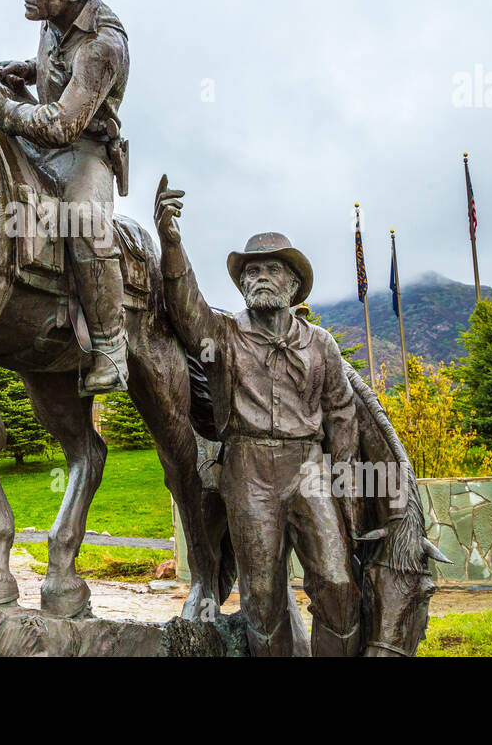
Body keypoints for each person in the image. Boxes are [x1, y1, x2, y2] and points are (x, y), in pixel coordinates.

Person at [153, 175, 361, 656]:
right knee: (262, 597)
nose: (260, 277)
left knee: (337, 583)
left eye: (271, 269)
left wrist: (347, 482)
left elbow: (341, 414)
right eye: (251, 271)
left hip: (309, 467)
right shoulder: (224, 334)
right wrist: (171, 242)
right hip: (248, 470)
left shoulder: (320, 343)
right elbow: (186, 309)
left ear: (292, 283)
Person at [0, 0, 130, 394]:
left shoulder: (103, 45)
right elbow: (59, 65)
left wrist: (1, 107)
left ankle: (111, 348)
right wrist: (27, 70)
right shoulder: (54, 18)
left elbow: (61, 125)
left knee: (85, 223)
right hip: (41, 137)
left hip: (82, 151)